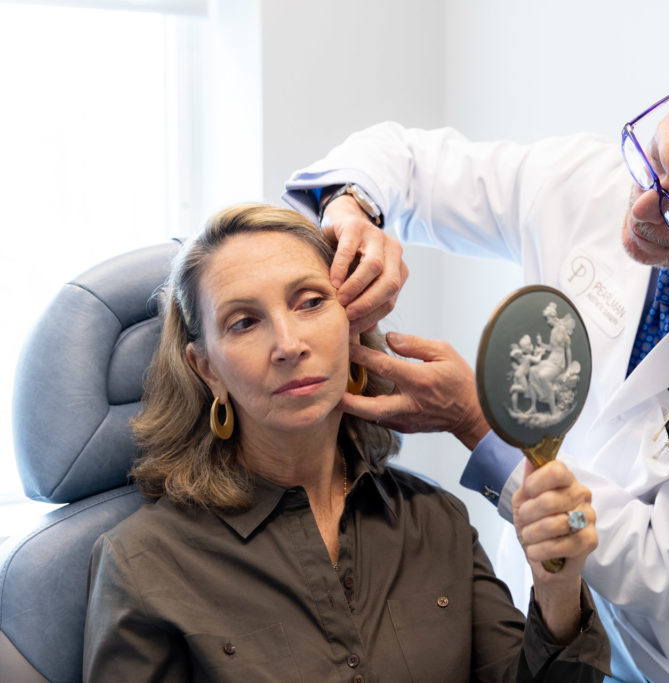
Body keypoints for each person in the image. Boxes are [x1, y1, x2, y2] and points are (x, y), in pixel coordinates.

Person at [283, 22, 669, 683]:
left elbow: (667, 566)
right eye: (655, 157)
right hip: (538, 637)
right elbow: (405, 164)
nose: (640, 208)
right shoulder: (587, 183)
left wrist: (483, 426)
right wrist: (352, 208)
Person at [83, 204, 612, 682]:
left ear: (353, 324)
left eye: (311, 302)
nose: (289, 344)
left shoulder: (435, 521)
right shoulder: (143, 563)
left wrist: (557, 589)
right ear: (207, 369)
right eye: (244, 322)